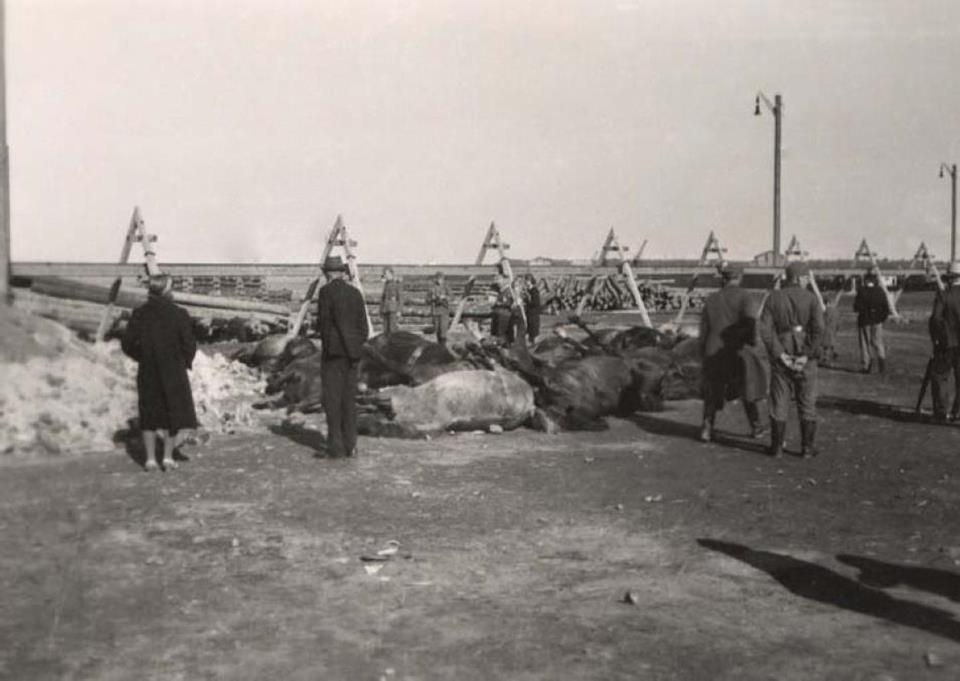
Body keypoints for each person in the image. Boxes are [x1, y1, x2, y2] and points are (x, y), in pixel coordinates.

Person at [121, 273, 198, 471]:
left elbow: (127, 343)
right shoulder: (179, 313)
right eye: (171, 286)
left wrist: (142, 356)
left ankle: (150, 460)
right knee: (172, 413)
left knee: (149, 413)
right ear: (166, 290)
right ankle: (167, 458)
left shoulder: (140, 313)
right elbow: (189, 344)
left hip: (148, 369)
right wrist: (184, 361)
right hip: (173, 370)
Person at [760, 261, 825, 458]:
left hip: (782, 352)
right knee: (807, 401)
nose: (807, 281)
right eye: (805, 278)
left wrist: (780, 354)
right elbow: (819, 329)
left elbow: (765, 330)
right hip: (806, 356)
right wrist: (806, 354)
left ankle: (777, 447)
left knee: (779, 401)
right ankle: (807, 448)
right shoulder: (812, 299)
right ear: (797, 278)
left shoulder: (773, 298)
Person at [698, 263, 768, 442]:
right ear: (740, 277)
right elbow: (751, 324)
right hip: (737, 351)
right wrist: (752, 344)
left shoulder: (712, 298)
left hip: (713, 351)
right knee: (747, 388)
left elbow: (704, 329)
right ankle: (756, 427)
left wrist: (703, 351)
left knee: (712, 391)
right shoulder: (745, 297)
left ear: (723, 278)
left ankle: (706, 429)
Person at [315, 255, 369, 458]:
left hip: (334, 355)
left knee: (333, 401)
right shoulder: (355, 293)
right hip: (353, 355)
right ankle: (351, 445)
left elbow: (324, 324)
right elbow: (363, 327)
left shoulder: (326, 292)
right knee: (349, 400)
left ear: (329, 274)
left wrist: (330, 346)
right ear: (341, 272)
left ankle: (336, 447)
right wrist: (355, 347)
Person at [929, 261, 960, 422]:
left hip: (946, 343)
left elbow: (936, 318)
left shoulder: (943, 294)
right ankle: (957, 412)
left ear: (949, 277)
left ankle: (941, 412)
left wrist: (937, 337)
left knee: (940, 376)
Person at [853, 266, 891, 373]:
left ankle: (867, 365)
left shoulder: (861, 291)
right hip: (877, 321)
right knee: (878, 342)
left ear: (866, 280)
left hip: (864, 320)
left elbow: (856, 307)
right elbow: (885, 308)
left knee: (865, 343)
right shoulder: (880, 291)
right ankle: (882, 363)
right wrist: (881, 318)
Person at [426, 271, 450, 345]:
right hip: (435, 311)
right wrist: (432, 299)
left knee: (443, 329)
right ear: (435, 279)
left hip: (444, 311)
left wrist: (444, 297)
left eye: (441, 279)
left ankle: (443, 346)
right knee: (437, 329)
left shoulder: (446, 287)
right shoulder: (432, 288)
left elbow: (452, 296)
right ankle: (439, 345)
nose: (439, 280)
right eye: (438, 278)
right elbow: (427, 300)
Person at [380, 267, 402, 335]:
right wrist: (381, 311)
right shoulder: (386, 285)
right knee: (385, 331)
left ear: (391, 274)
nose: (386, 276)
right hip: (385, 310)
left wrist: (399, 310)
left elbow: (400, 298)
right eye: (385, 274)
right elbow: (383, 299)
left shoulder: (396, 284)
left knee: (393, 330)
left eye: (387, 274)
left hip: (393, 310)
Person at [523, 274, 542, 343]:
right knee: (529, 333)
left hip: (534, 315)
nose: (526, 282)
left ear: (531, 281)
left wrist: (527, 300)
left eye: (527, 280)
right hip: (529, 314)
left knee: (534, 333)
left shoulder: (534, 291)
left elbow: (536, 303)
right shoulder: (528, 290)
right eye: (525, 280)